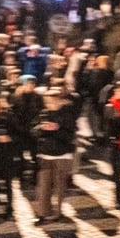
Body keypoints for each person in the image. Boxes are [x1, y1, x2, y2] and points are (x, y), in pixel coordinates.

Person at [33, 89, 78, 223]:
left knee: (59, 185)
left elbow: (70, 136)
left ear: (59, 101)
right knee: (43, 185)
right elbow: (32, 131)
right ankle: (43, 212)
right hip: (45, 155)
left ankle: (58, 212)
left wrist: (57, 129)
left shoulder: (67, 115)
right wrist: (40, 129)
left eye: (53, 101)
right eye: (47, 102)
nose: (49, 104)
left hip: (62, 155)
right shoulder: (43, 114)